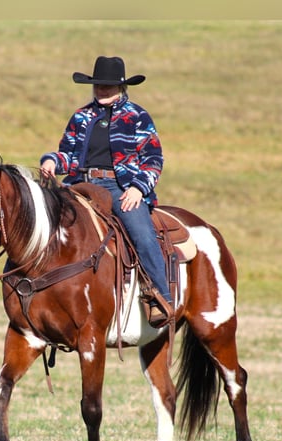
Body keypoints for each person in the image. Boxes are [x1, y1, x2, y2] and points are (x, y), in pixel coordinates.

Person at [40, 56, 173, 327]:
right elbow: (68, 154)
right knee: (44, 223)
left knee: (143, 236)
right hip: (79, 185)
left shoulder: (137, 116)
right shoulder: (81, 116)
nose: (102, 89)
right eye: (99, 84)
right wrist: (53, 160)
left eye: (109, 85)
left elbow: (153, 159)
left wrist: (138, 188)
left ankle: (160, 298)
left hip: (121, 187)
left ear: (121, 87)